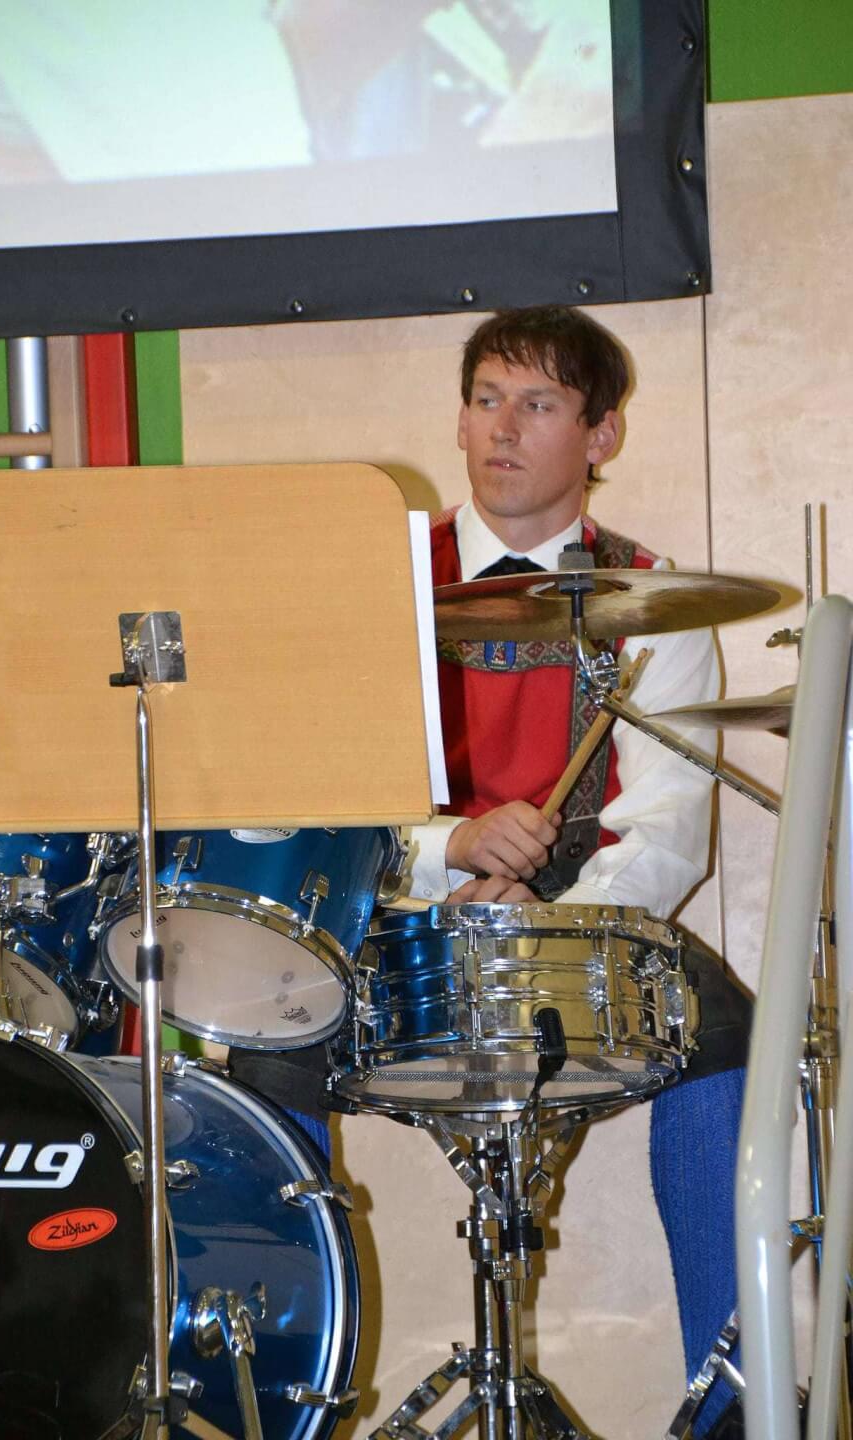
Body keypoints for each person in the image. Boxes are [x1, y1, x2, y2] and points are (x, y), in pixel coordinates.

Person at [397, 304, 750, 1438]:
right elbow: (315, 806)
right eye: (486, 398)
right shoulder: (375, 582)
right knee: (260, 1030)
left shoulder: (651, 598)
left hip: (574, 937)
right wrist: (447, 850)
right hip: (399, 927)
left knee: (722, 1029)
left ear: (600, 435)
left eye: (539, 403)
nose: (502, 428)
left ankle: (726, 1408)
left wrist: (548, 923)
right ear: (460, 418)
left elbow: (666, 829)